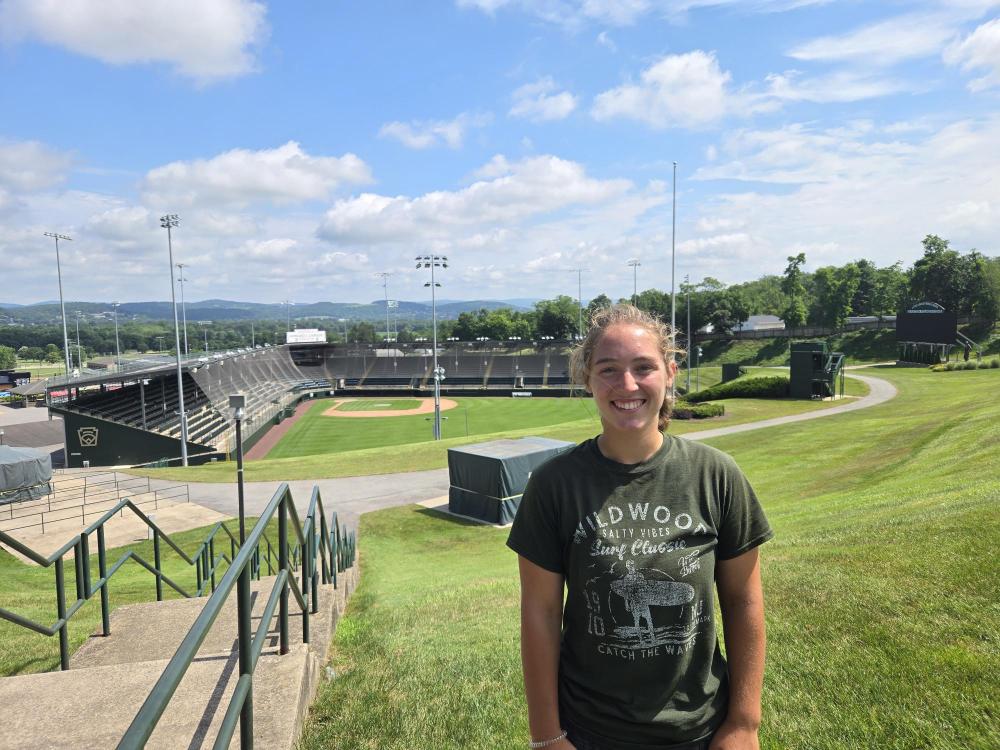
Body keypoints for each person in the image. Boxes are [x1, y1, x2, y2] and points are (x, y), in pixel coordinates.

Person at [507, 304, 773, 750]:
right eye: (608, 369)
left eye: (643, 367)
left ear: (670, 373)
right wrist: (546, 736)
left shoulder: (716, 475)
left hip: (699, 729)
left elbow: (743, 601)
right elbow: (541, 613)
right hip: (588, 731)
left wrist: (744, 723)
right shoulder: (554, 484)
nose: (627, 385)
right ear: (587, 379)